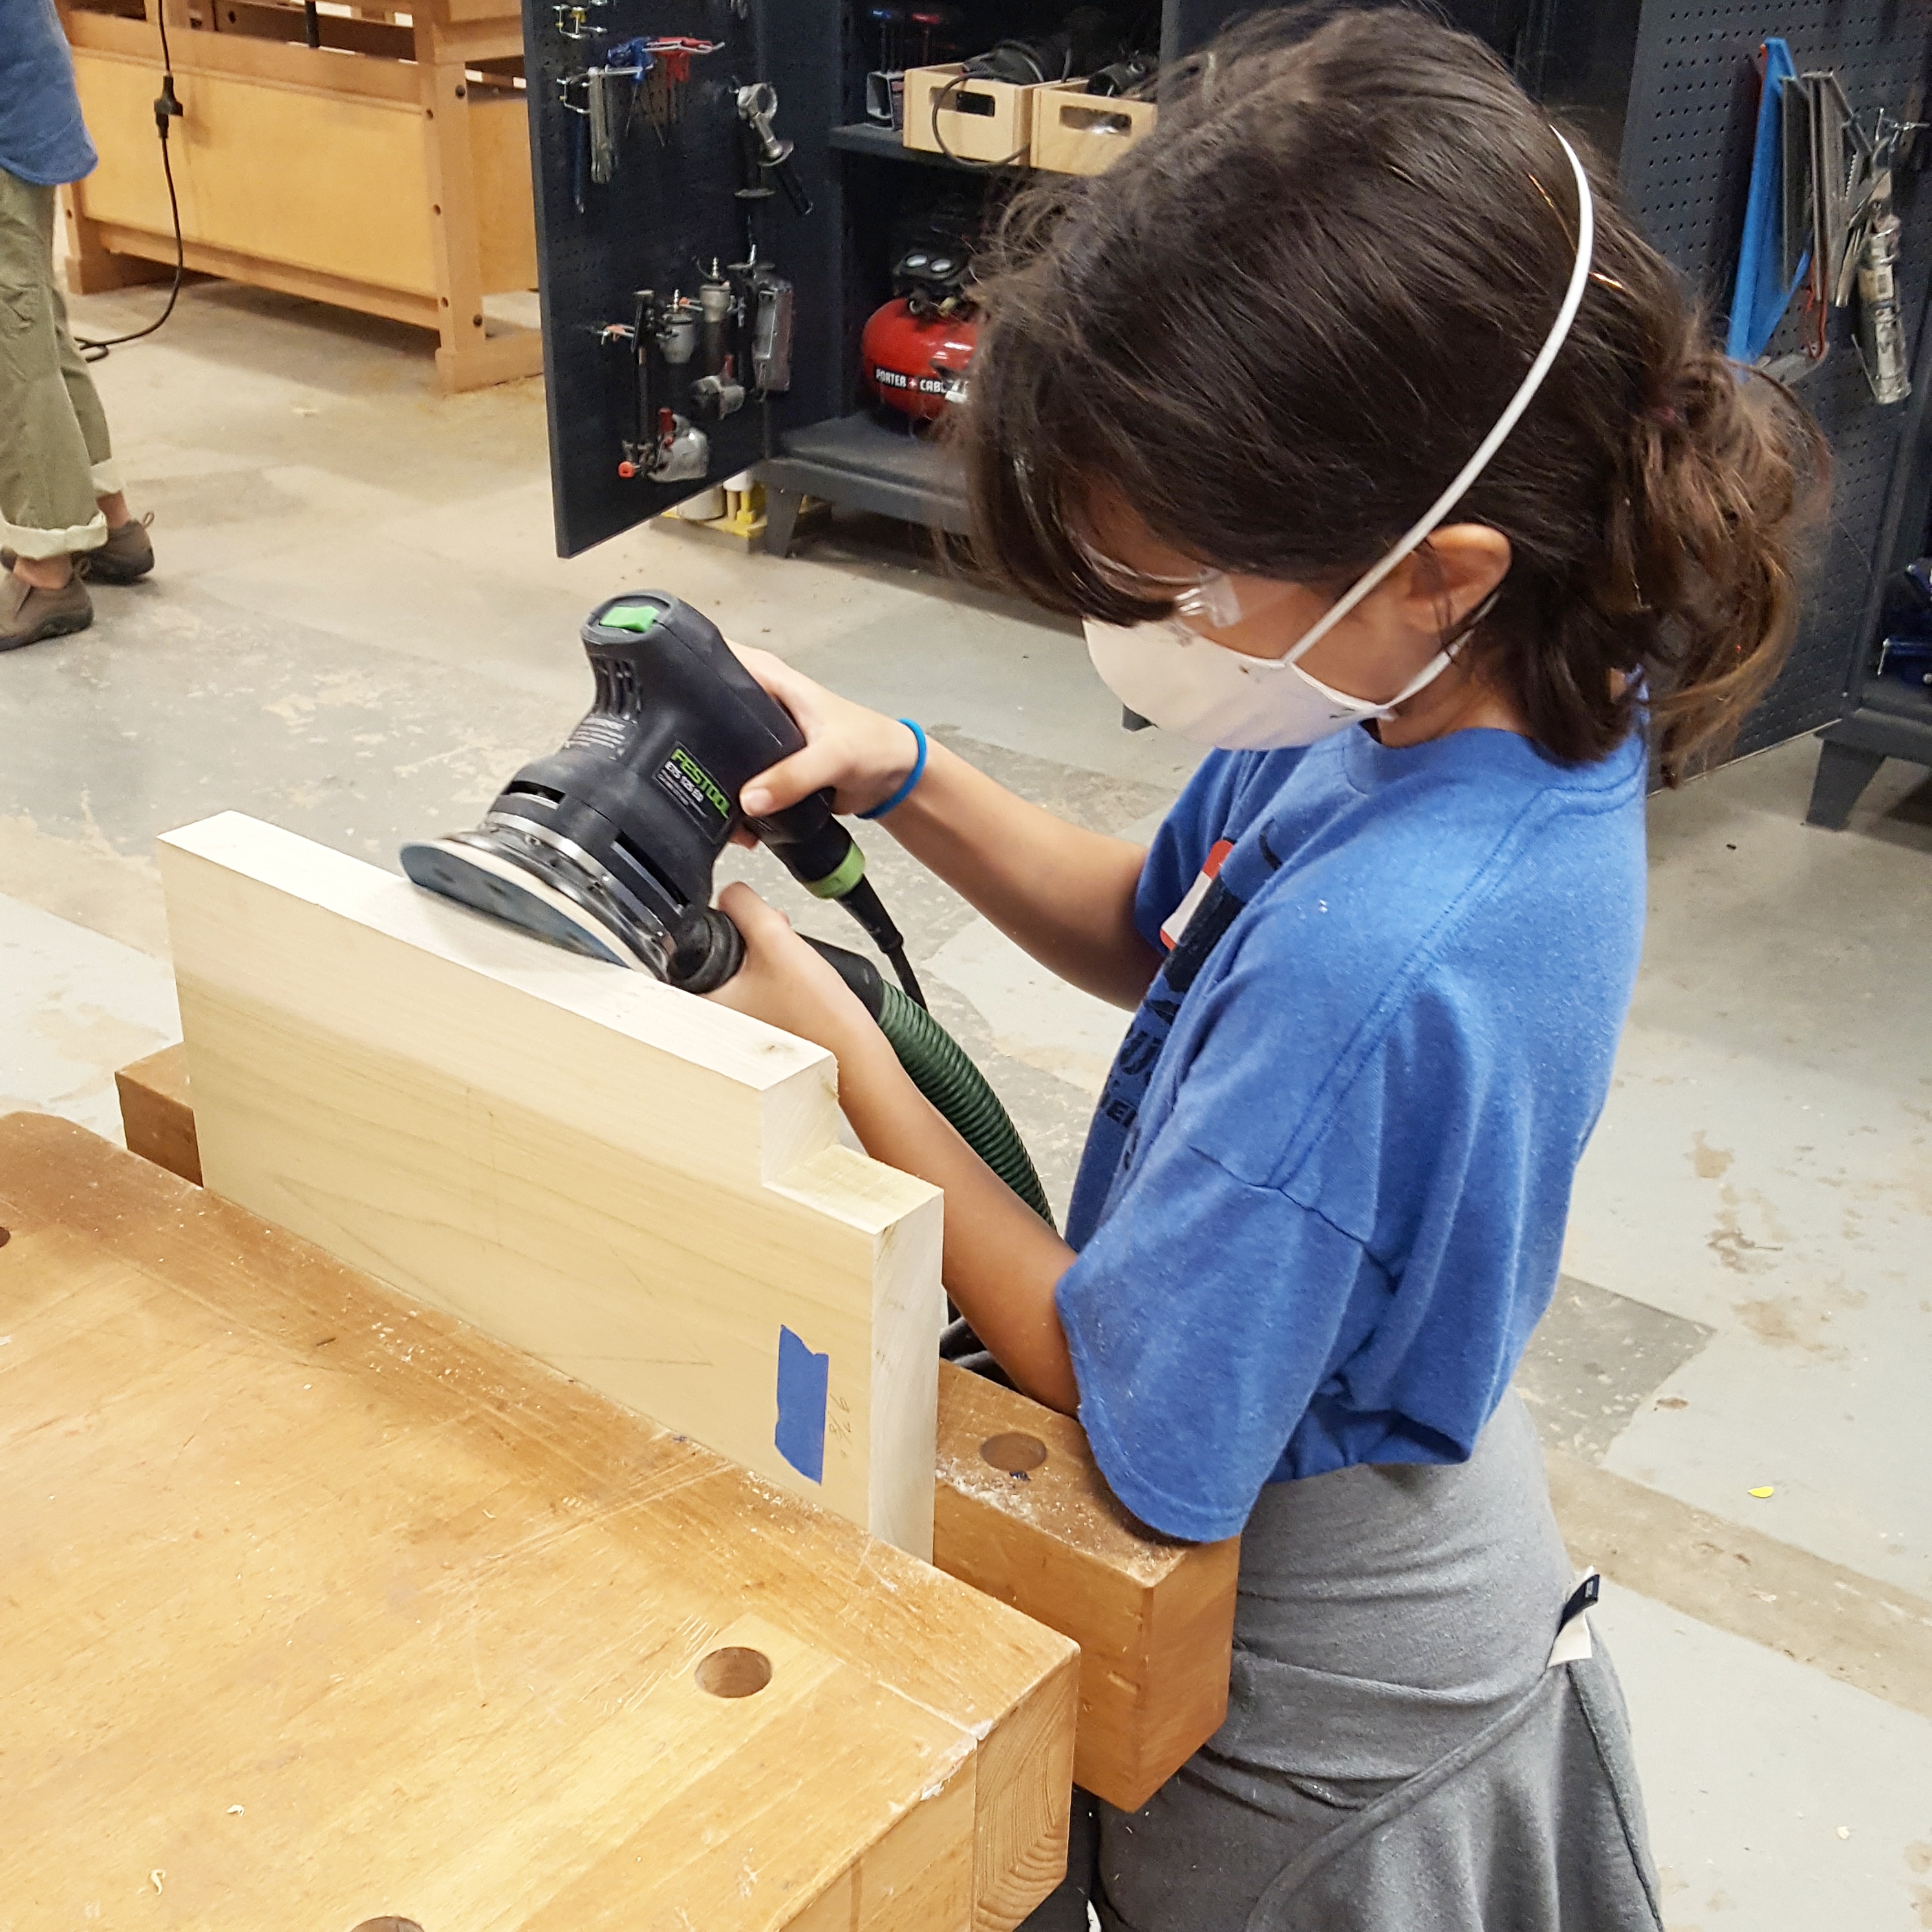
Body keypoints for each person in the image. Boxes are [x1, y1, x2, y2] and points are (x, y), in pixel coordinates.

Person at [710, 9, 1821, 1929]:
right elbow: (1156, 918)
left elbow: (1137, 1416)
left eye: (1185, 596)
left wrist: (830, 1046)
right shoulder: (1431, 697)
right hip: (1360, 1477)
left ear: (1441, 565)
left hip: (1304, 1705)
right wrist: (904, 771)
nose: (1152, 641)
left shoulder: (1387, 962)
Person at [1, 0, 156, 651]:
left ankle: (48, 570)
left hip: (9, 106)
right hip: (23, 90)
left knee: (12, 330)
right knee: (32, 318)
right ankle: (107, 521)